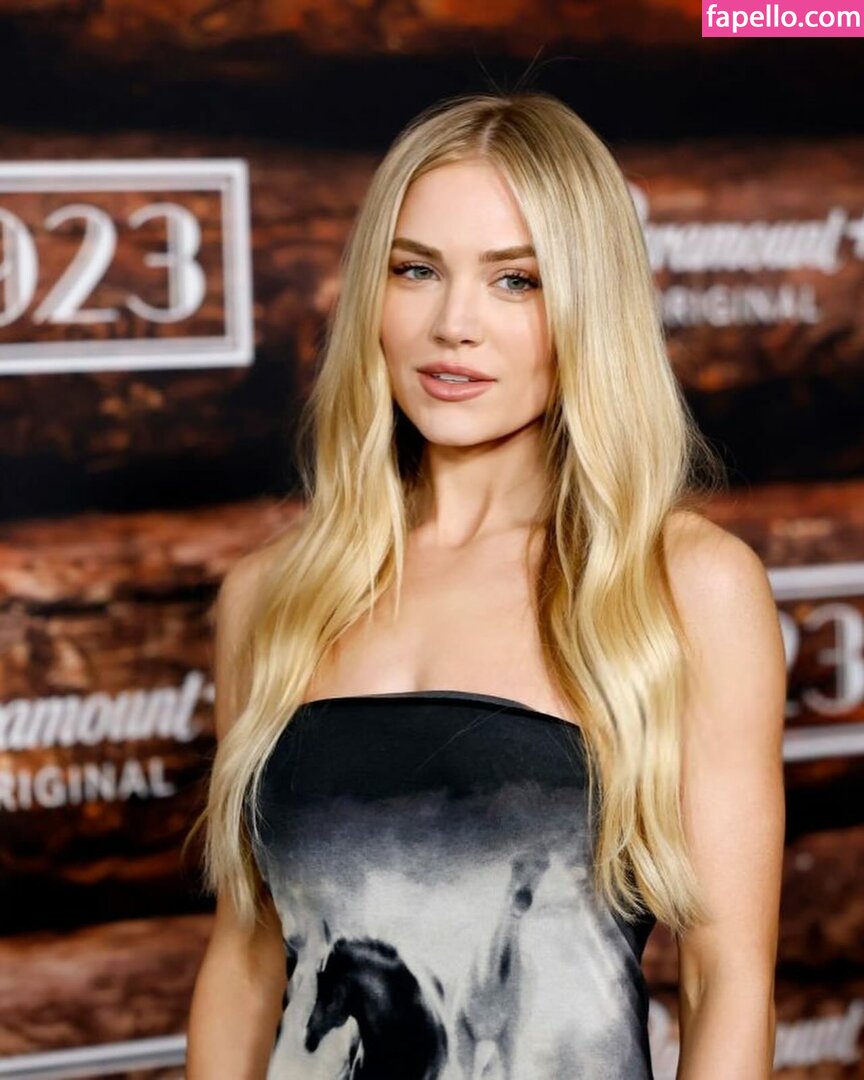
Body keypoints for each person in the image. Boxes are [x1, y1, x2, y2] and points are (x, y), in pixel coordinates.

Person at [185, 90, 787, 1079]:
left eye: (516, 280)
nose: (452, 325)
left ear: (587, 307)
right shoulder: (273, 596)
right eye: (415, 270)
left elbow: (728, 984)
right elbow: (245, 966)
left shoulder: (687, 587)